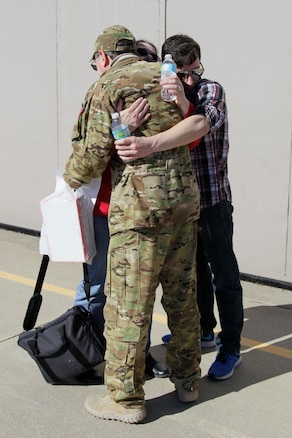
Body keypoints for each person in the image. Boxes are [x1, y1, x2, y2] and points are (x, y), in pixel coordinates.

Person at [64, 24, 201, 423]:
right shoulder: (166, 76)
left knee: (128, 305)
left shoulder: (105, 86)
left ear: (103, 58)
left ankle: (124, 399)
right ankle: (188, 380)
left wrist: (68, 180)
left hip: (140, 210)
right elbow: (190, 127)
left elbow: (89, 158)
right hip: (182, 204)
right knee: (182, 296)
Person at [116, 34, 244, 382]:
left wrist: (183, 97)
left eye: (195, 71)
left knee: (225, 277)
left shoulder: (208, 91)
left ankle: (230, 348)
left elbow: (202, 125)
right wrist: (122, 123)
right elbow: (120, 138)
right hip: (181, 206)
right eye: (182, 73)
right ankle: (203, 331)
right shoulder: (160, 93)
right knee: (194, 275)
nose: (190, 79)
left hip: (213, 201)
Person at [72, 41, 168, 384]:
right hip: (104, 209)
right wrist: (120, 124)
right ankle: (82, 354)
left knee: (138, 293)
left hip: (142, 214)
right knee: (95, 287)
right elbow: (85, 152)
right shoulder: (102, 94)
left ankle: (138, 356)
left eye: (149, 60)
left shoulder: (160, 99)